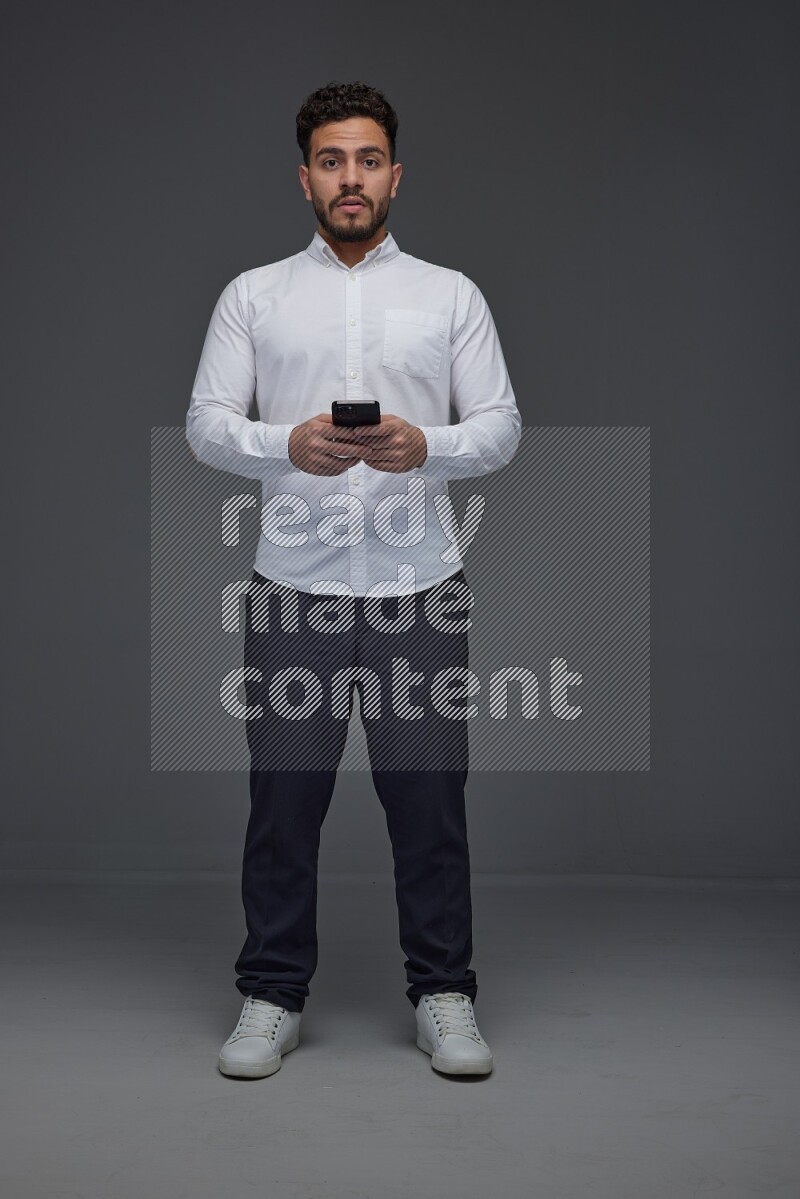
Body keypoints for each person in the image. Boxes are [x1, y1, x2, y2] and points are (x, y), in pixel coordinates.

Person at [186, 80, 522, 1080]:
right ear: (304, 178)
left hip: (421, 586)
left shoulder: (450, 296)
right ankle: (270, 992)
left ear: (394, 175)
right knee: (283, 803)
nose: (350, 178)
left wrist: (430, 445)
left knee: (429, 801)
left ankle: (443, 992)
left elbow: (500, 426)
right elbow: (206, 423)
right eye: (331, 161)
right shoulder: (253, 296)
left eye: (367, 160)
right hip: (293, 586)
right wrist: (281, 442)